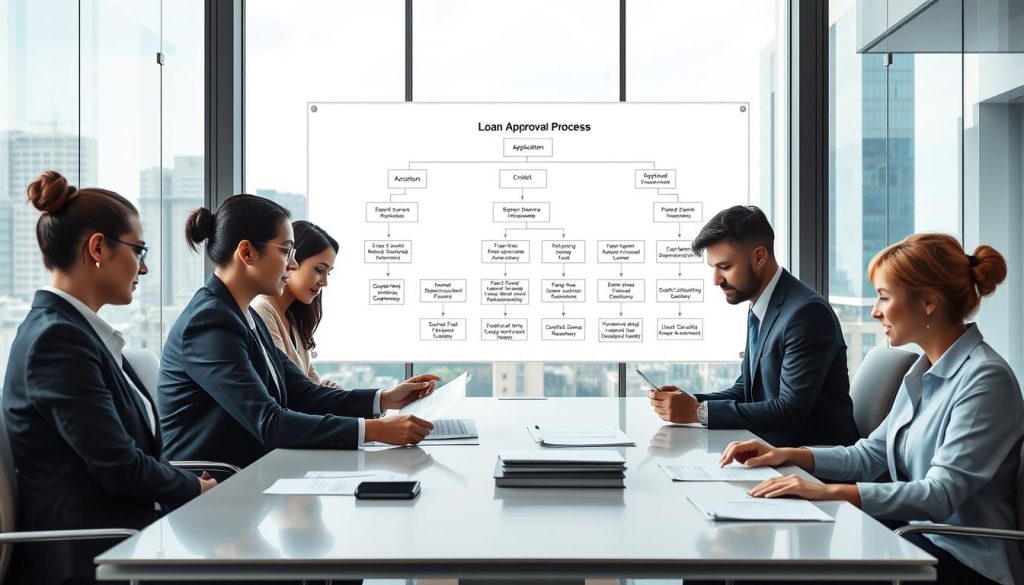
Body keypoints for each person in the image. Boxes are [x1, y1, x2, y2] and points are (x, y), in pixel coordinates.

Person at [720, 234, 1023, 585]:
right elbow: (870, 454)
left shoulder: (984, 379)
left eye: (883, 296)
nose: (875, 311)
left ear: (928, 302)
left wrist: (831, 490)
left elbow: (940, 495)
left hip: (962, 559)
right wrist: (785, 454)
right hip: (912, 536)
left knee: (787, 570)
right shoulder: (923, 370)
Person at [2, 171, 215, 585]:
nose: (146, 267)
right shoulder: (57, 339)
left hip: (126, 534)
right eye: (139, 250)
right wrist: (194, 488)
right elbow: (118, 466)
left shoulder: (76, 333)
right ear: (98, 247)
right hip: (95, 553)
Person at [159, 194, 438, 469]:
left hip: (252, 474)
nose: (292, 264)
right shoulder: (210, 321)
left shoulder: (241, 314)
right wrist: (375, 430)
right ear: (246, 253)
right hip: (215, 487)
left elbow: (303, 394)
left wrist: (386, 398)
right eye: (285, 251)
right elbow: (268, 422)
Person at [648, 205, 859, 447]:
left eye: (725, 267)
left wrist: (698, 412)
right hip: (769, 451)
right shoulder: (763, 305)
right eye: (713, 268)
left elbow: (789, 412)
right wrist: (689, 401)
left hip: (812, 465)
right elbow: (746, 390)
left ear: (759, 257)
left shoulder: (806, 313)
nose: (716, 280)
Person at [252, 221, 339, 386]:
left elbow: (310, 386)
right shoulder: (263, 310)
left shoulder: (294, 319)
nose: (324, 282)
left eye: (328, 272)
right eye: (319, 270)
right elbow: (290, 390)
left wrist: (326, 390)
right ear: (292, 261)